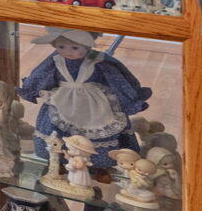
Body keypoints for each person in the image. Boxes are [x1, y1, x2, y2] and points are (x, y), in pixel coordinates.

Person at [17, 28, 148, 168]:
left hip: (93, 103)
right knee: (55, 130)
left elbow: (117, 78)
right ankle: (59, 162)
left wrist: (130, 97)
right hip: (63, 100)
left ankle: (98, 166)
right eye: (61, 46)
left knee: (99, 126)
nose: (68, 51)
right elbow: (40, 73)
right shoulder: (55, 60)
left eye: (75, 47)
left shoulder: (99, 60)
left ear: (87, 45)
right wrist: (31, 88)